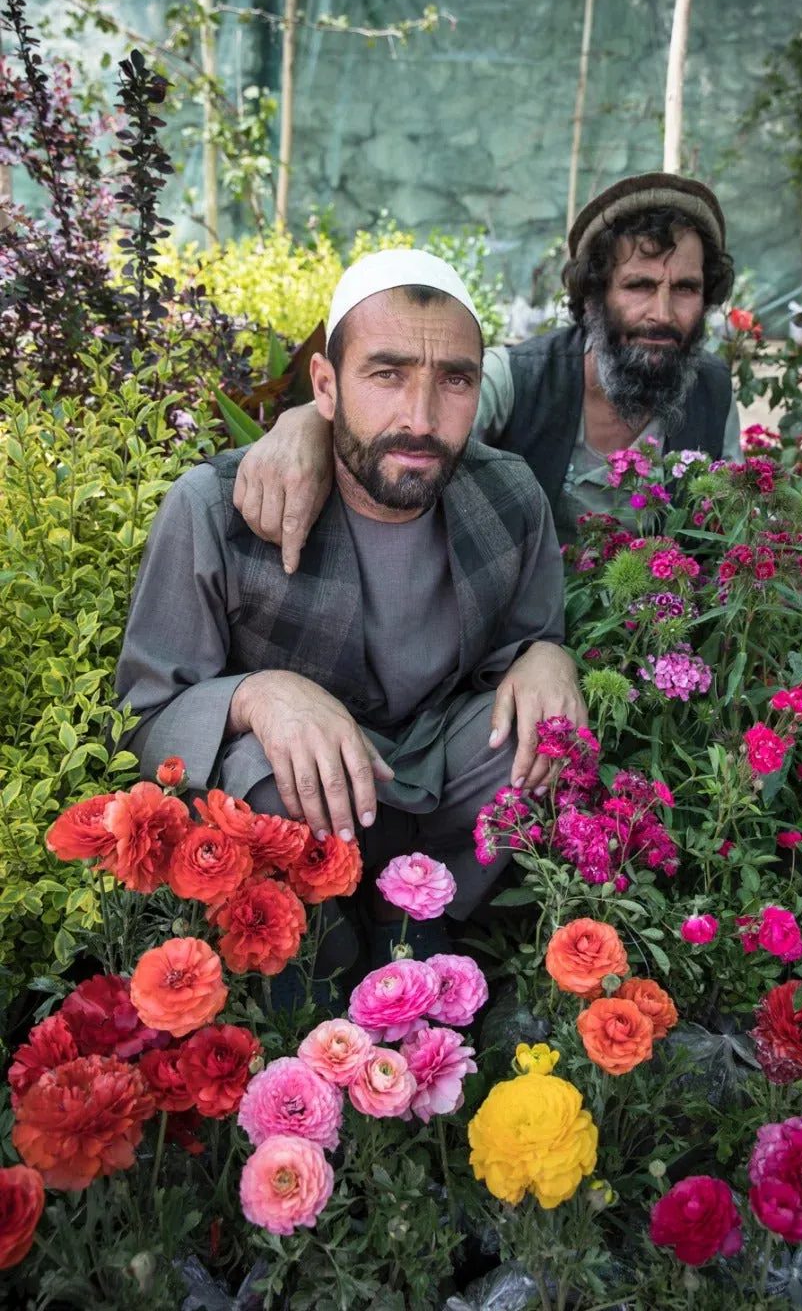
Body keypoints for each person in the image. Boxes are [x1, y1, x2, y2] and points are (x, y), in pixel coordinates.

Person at [115, 249, 586, 926]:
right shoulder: (213, 509)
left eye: (453, 380)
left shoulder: (507, 494)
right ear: (326, 387)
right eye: (386, 374)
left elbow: (529, 640)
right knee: (269, 773)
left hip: (440, 773)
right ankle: (309, 996)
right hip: (297, 821)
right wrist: (255, 696)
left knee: (543, 739)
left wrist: (547, 655)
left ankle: (433, 958)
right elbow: (144, 717)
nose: (420, 418)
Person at [233, 172, 742, 562]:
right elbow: (404, 426)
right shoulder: (516, 379)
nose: (661, 313)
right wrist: (303, 423)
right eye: (638, 286)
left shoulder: (713, 395)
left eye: (685, 289)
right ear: (593, 295)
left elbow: (731, 538)